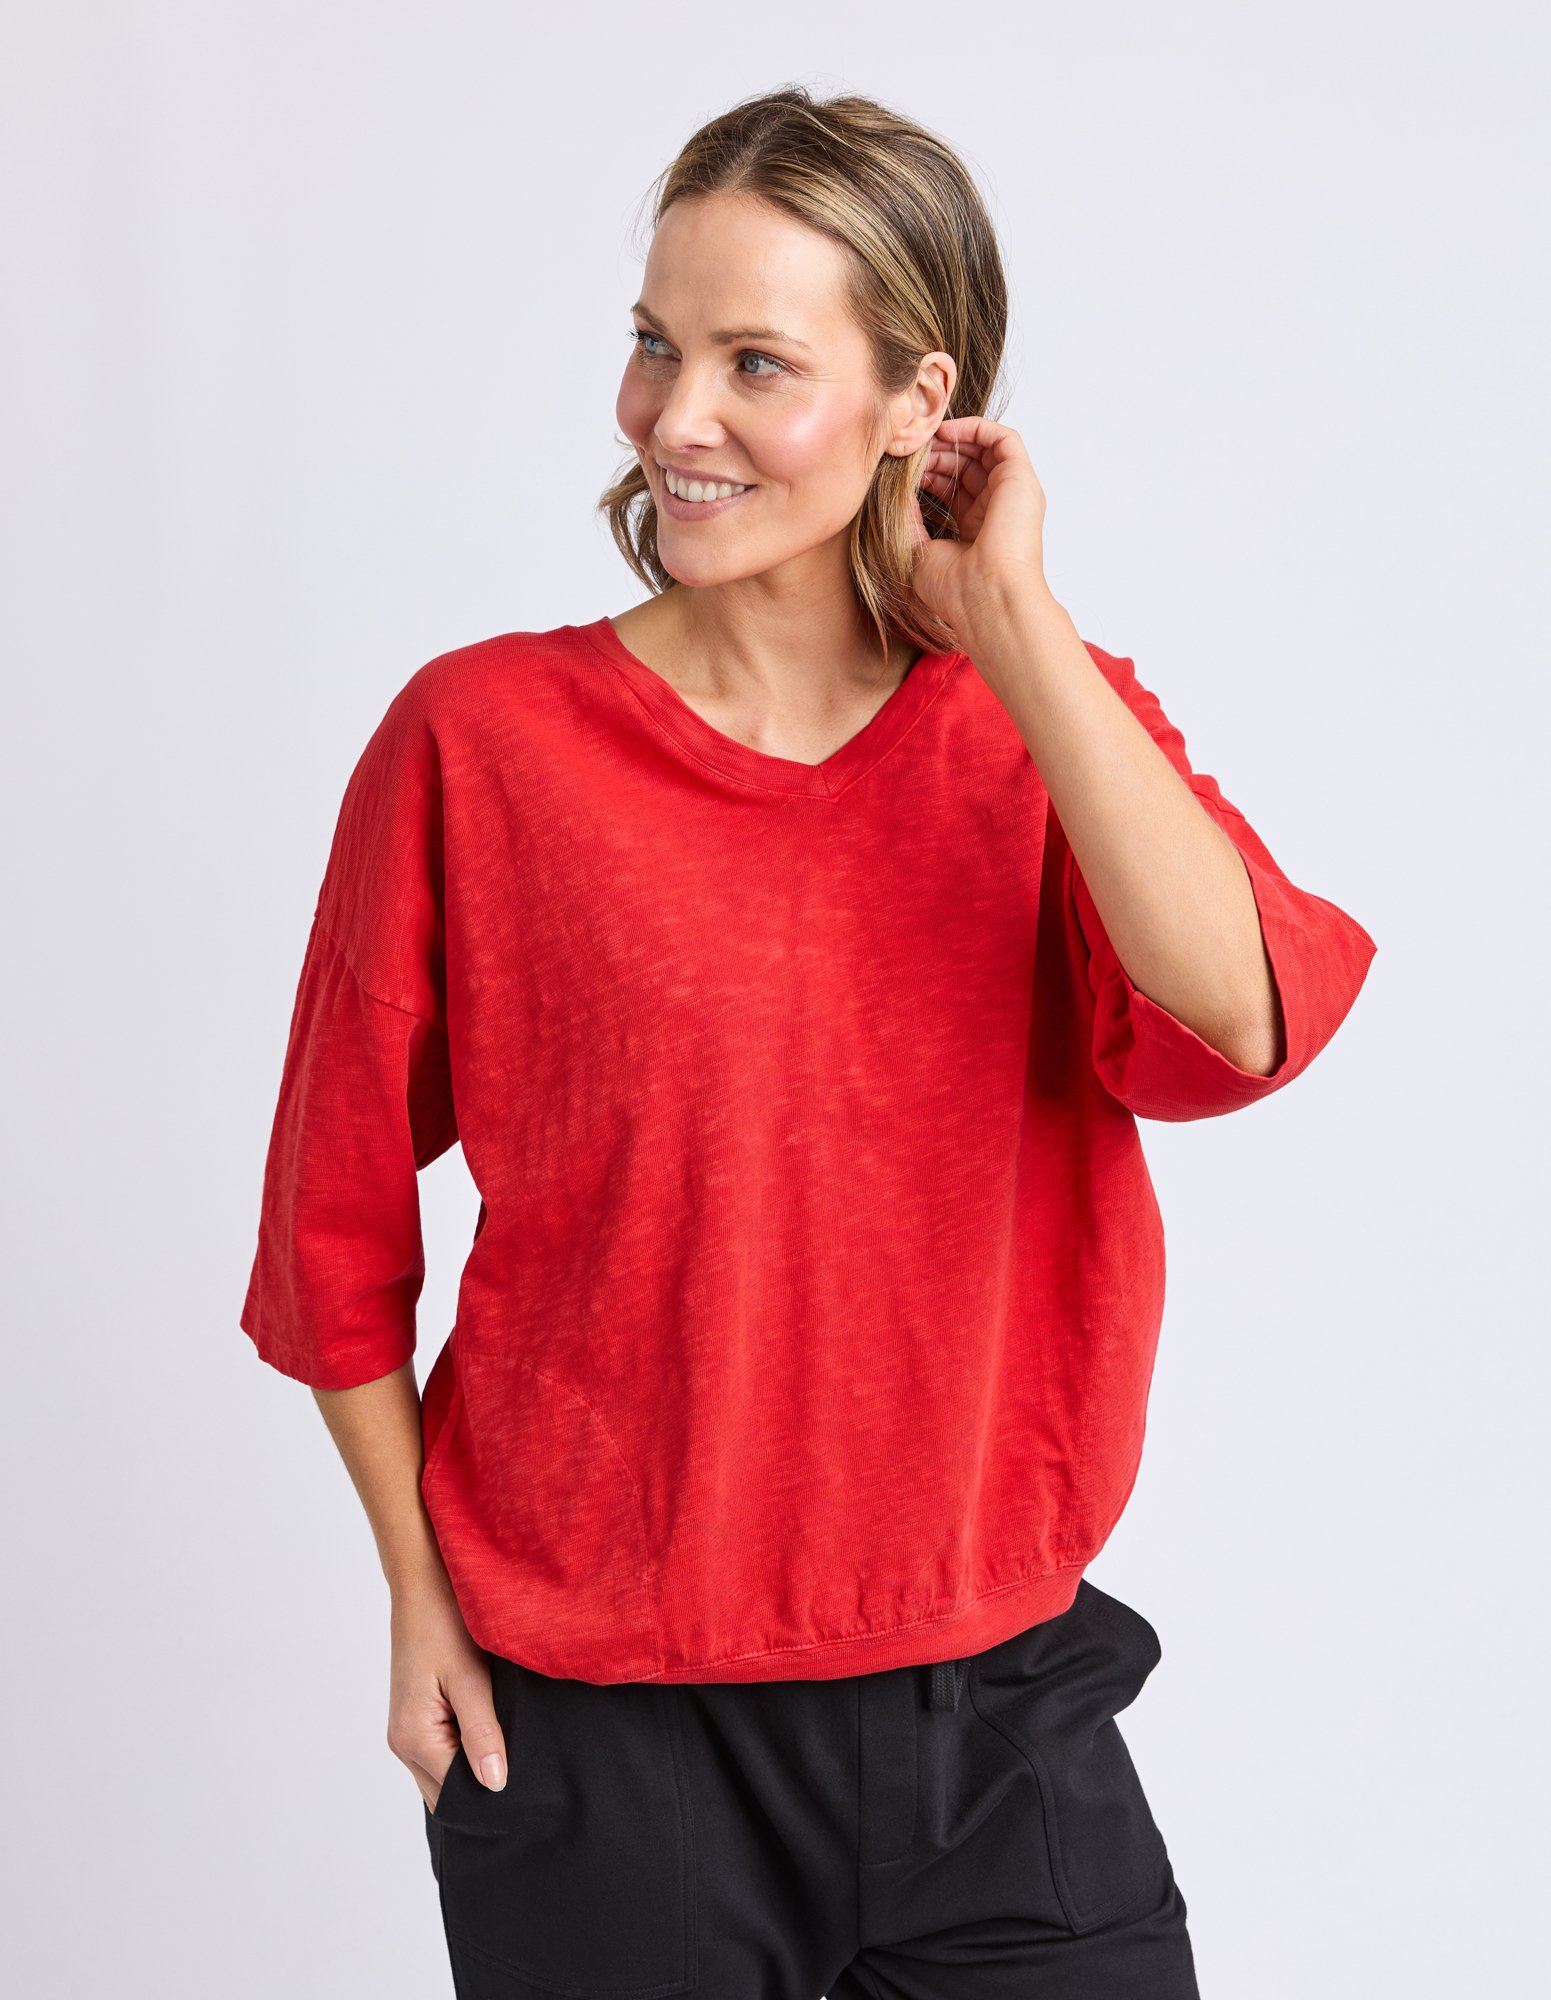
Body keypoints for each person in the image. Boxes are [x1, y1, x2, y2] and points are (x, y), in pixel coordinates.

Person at [239, 85, 1376, 2000]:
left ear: (919, 402)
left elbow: (1243, 1017)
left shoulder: (1041, 725)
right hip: (600, 1729)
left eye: (755, 363)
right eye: (655, 344)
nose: (674, 417)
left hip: (995, 1713)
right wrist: (414, 1599)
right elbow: (329, 1231)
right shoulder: (479, 742)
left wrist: (1013, 624)